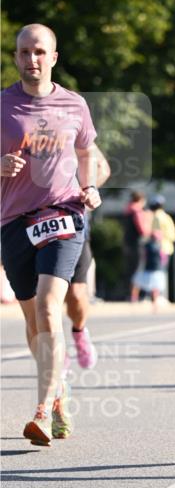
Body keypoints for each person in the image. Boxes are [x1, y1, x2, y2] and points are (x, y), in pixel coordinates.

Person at [1, 23, 102, 445]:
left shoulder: (74, 104)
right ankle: (58, 392)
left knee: (48, 306)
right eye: (24, 52)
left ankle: (42, 410)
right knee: (33, 320)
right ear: (16, 57)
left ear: (54, 57)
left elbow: (86, 151)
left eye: (39, 52)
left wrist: (91, 185)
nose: (31, 60)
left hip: (64, 215)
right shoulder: (2, 105)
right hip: (13, 222)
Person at [64, 144, 111, 369]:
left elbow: (103, 168)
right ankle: (56, 353)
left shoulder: (71, 121)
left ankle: (79, 332)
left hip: (73, 220)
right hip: (32, 220)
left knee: (76, 293)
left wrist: (86, 189)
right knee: (40, 297)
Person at [131, 194, 175, 308]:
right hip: (165, 248)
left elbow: (153, 233)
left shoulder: (154, 216)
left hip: (158, 248)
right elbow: (174, 235)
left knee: (152, 272)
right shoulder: (166, 216)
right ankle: (156, 297)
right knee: (158, 273)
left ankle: (151, 297)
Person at [124, 190, 152, 299]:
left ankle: (129, 294)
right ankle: (134, 295)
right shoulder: (137, 212)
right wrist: (148, 219)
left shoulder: (127, 210)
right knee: (138, 269)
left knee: (130, 269)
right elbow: (143, 231)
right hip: (137, 244)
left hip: (128, 243)